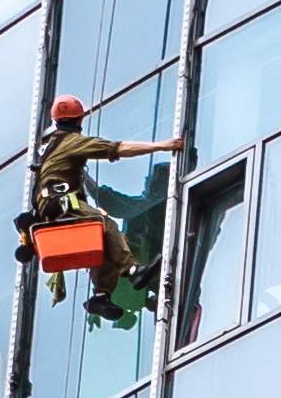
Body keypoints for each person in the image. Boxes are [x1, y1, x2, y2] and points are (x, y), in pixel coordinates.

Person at [18, 95, 191, 314]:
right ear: (79, 120)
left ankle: (100, 297)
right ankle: (133, 270)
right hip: (60, 203)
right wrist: (161, 146)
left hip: (50, 206)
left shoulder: (51, 146)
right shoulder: (73, 142)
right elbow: (119, 148)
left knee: (102, 239)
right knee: (105, 225)